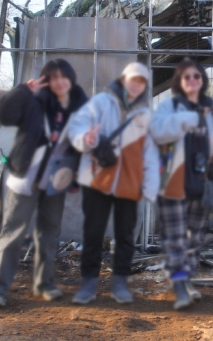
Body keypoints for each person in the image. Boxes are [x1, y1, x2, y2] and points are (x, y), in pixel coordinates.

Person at [0, 59, 88, 307]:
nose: (59, 82)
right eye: (53, 78)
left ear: (70, 79)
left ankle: (44, 283)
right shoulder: (33, 102)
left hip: (56, 181)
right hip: (26, 178)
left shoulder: (79, 108)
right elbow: (1, 113)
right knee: (13, 233)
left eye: (63, 77)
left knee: (49, 234)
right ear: (46, 81)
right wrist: (23, 90)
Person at [68, 62, 158, 305]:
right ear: (123, 79)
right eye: (133, 79)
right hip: (97, 179)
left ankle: (119, 283)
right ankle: (88, 284)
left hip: (129, 183)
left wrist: (150, 186)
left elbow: (150, 153)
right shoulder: (99, 104)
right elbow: (77, 129)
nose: (136, 85)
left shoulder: (144, 115)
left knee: (125, 236)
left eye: (141, 81)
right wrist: (84, 139)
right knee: (93, 233)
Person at [150, 59, 213, 310]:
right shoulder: (168, 107)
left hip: (201, 180)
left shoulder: (210, 109)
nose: (192, 81)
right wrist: (187, 119)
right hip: (173, 180)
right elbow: (157, 133)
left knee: (195, 237)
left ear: (202, 81)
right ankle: (180, 284)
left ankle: (186, 278)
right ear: (179, 82)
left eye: (197, 76)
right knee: (175, 237)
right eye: (187, 77)